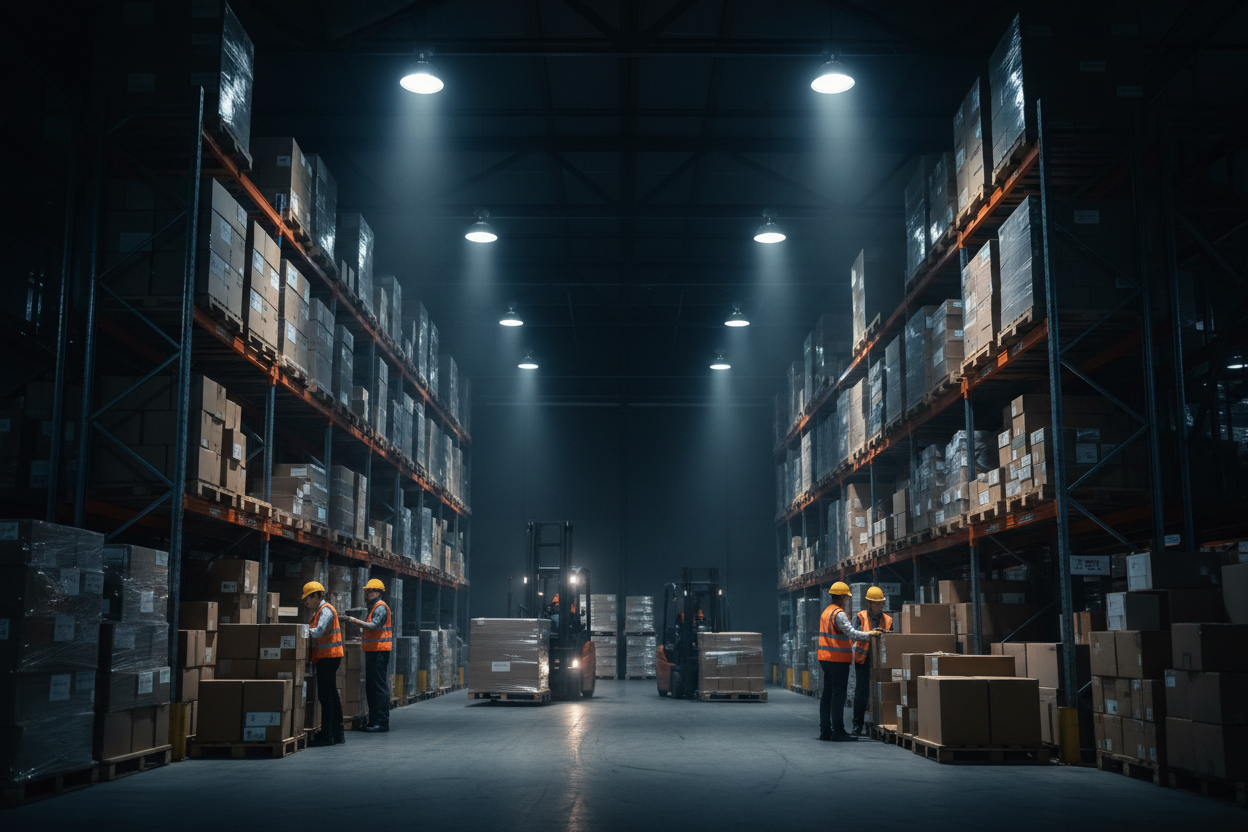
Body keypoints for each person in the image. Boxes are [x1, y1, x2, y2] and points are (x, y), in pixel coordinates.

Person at [816, 582, 879, 742]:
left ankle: (825, 731)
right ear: (842, 597)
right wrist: (871, 634)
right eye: (847, 597)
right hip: (837, 661)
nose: (848, 600)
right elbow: (852, 634)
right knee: (838, 697)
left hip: (825, 659)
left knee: (827, 695)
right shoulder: (839, 613)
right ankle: (838, 731)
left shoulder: (826, 612)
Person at [345, 578, 392, 733]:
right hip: (373, 651)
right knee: (371, 687)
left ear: (379, 592)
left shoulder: (380, 607)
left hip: (380, 652)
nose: (367, 593)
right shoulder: (373, 607)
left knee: (379, 687)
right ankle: (373, 721)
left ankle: (382, 722)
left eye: (371, 590)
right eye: (366, 591)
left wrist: (353, 620)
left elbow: (374, 626)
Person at [303, 581, 345, 747]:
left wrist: (298, 630)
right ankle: (337, 733)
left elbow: (319, 631)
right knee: (332, 695)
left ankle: (327, 735)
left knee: (326, 697)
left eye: (307, 598)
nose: (306, 602)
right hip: (326, 657)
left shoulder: (325, 610)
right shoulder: (318, 611)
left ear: (317, 596)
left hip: (329, 657)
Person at [851, 586, 894, 736]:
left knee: (881, 690)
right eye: (877, 603)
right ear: (869, 603)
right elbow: (854, 635)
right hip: (863, 659)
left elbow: (892, 640)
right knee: (861, 693)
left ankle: (882, 722)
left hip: (881, 661)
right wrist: (869, 634)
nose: (880, 606)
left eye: (881, 603)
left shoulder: (888, 620)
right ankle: (857, 725)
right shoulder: (860, 616)